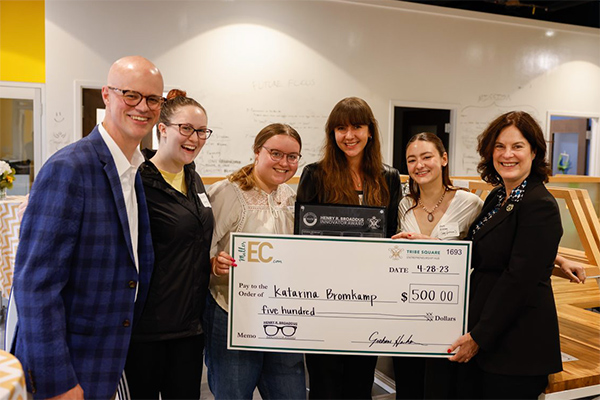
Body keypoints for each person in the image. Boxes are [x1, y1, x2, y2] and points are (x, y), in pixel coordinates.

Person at [12, 56, 163, 399]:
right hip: (69, 366)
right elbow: (35, 286)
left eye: (153, 99)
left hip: (109, 358)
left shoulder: (133, 170)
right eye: (131, 95)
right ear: (107, 95)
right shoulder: (69, 168)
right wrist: (58, 383)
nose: (143, 106)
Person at [449, 111, 563, 399]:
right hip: (489, 334)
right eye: (499, 146)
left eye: (517, 146)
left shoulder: (540, 205)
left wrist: (478, 338)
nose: (507, 154)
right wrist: (429, 245)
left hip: (517, 346)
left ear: (534, 151)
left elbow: (519, 281)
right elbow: (480, 250)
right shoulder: (498, 196)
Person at [296, 97, 402, 399]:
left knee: (359, 383)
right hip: (324, 301)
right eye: (341, 128)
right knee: (324, 385)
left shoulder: (388, 177)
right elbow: (300, 239)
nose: (349, 135)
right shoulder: (315, 174)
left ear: (370, 132)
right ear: (332, 134)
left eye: (357, 126)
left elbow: (392, 234)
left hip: (369, 300)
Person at [122, 89, 214, 399]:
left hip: (190, 327)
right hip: (149, 329)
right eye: (186, 128)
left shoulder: (194, 177)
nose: (195, 138)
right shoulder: (139, 181)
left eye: (201, 131)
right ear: (162, 129)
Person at [204, 123, 306, 400]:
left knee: (290, 394)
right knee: (233, 394)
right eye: (275, 153)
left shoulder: (290, 198)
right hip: (231, 313)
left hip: (281, 314)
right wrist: (214, 263)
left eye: (292, 156)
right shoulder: (227, 192)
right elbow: (201, 249)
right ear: (257, 152)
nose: (284, 163)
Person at [392, 132, 483, 399]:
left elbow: (491, 249)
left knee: (442, 390)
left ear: (443, 159)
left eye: (427, 156)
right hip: (408, 316)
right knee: (408, 388)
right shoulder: (403, 205)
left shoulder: (470, 203)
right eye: (411, 160)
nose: (419, 165)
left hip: (451, 319)